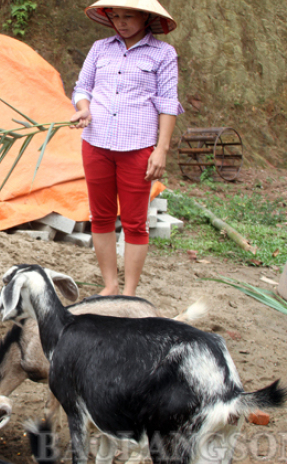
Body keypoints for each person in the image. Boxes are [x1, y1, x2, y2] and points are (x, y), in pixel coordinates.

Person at [70, 0, 183, 296]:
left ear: (146, 17)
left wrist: (161, 150)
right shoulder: (100, 48)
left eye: (128, 16)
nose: (121, 22)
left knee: (135, 222)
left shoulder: (163, 53)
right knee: (101, 216)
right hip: (96, 145)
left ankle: (129, 292)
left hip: (138, 147)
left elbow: (168, 104)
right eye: (116, 16)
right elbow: (83, 88)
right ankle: (111, 285)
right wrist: (84, 109)